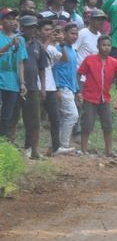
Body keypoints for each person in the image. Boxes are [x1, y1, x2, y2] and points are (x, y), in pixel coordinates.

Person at [78, 35, 117, 156]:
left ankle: (109, 151)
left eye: (108, 45)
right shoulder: (89, 60)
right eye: (103, 45)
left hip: (104, 98)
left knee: (107, 124)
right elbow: (79, 73)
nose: (106, 48)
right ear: (98, 47)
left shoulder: (113, 61)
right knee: (87, 124)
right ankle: (83, 150)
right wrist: (79, 91)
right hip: (89, 97)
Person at [8, 15, 46, 159]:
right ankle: (9, 148)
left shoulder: (38, 46)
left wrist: (42, 87)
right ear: (22, 28)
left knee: (34, 120)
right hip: (13, 86)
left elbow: (42, 68)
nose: (32, 30)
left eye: (34, 27)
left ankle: (33, 150)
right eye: (29, 27)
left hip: (32, 87)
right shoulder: (16, 42)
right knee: (12, 118)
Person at [52, 22, 80, 153]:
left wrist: (78, 90)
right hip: (63, 87)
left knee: (65, 117)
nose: (74, 36)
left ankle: (58, 145)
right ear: (64, 34)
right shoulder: (59, 49)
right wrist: (57, 88)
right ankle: (63, 144)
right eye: (72, 33)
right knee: (72, 115)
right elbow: (55, 69)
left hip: (71, 88)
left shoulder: (73, 50)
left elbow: (73, 72)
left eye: (76, 34)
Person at [0, 8, 27, 138]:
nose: (12, 22)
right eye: (8, 19)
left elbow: (21, 62)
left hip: (12, 84)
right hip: (0, 81)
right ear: (1, 20)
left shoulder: (20, 40)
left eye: (14, 19)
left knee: (7, 116)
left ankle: (3, 143)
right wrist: (10, 44)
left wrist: (22, 83)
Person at [38, 19, 62, 154]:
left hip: (51, 85)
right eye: (46, 30)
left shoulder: (53, 47)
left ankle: (55, 146)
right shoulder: (34, 44)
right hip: (36, 85)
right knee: (34, 119)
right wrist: (49, 41)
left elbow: (64, 59)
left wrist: (62, 43)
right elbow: (39, 56)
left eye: (50, 30)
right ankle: (31, 147)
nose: (49, 33)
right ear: (38, 31)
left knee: (55, 117)